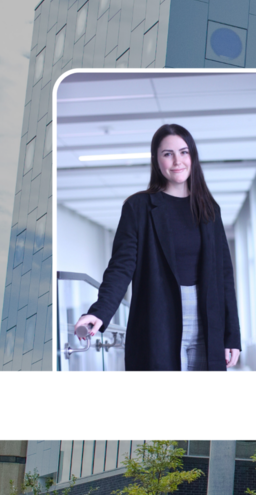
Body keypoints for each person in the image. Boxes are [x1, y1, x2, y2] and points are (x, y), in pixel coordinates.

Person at [73, 124, 241, 371]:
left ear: (192, 156)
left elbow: (224, 275)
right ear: (156, 160)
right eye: (167, 154)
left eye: (184, 152)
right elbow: (121, 267)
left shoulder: (209, 209)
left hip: (208, 319)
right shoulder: (138, 207)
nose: (177, 161)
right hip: (159, 318)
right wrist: (99, 312)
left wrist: (231, 335)